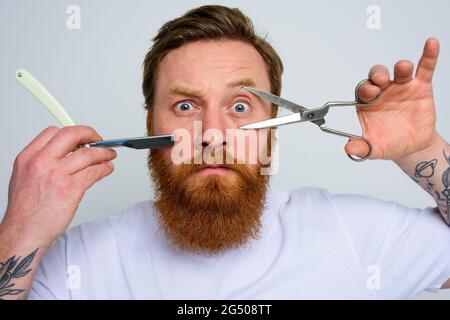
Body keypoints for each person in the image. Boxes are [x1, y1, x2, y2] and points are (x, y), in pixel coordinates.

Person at [0, 5, 449, 300]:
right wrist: (19, 231)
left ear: (275, 126)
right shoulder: (76, 266)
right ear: (150, 124)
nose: (213, 134)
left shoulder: (360, 237)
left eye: (239, 106)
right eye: (184, 105)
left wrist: (424, 151)